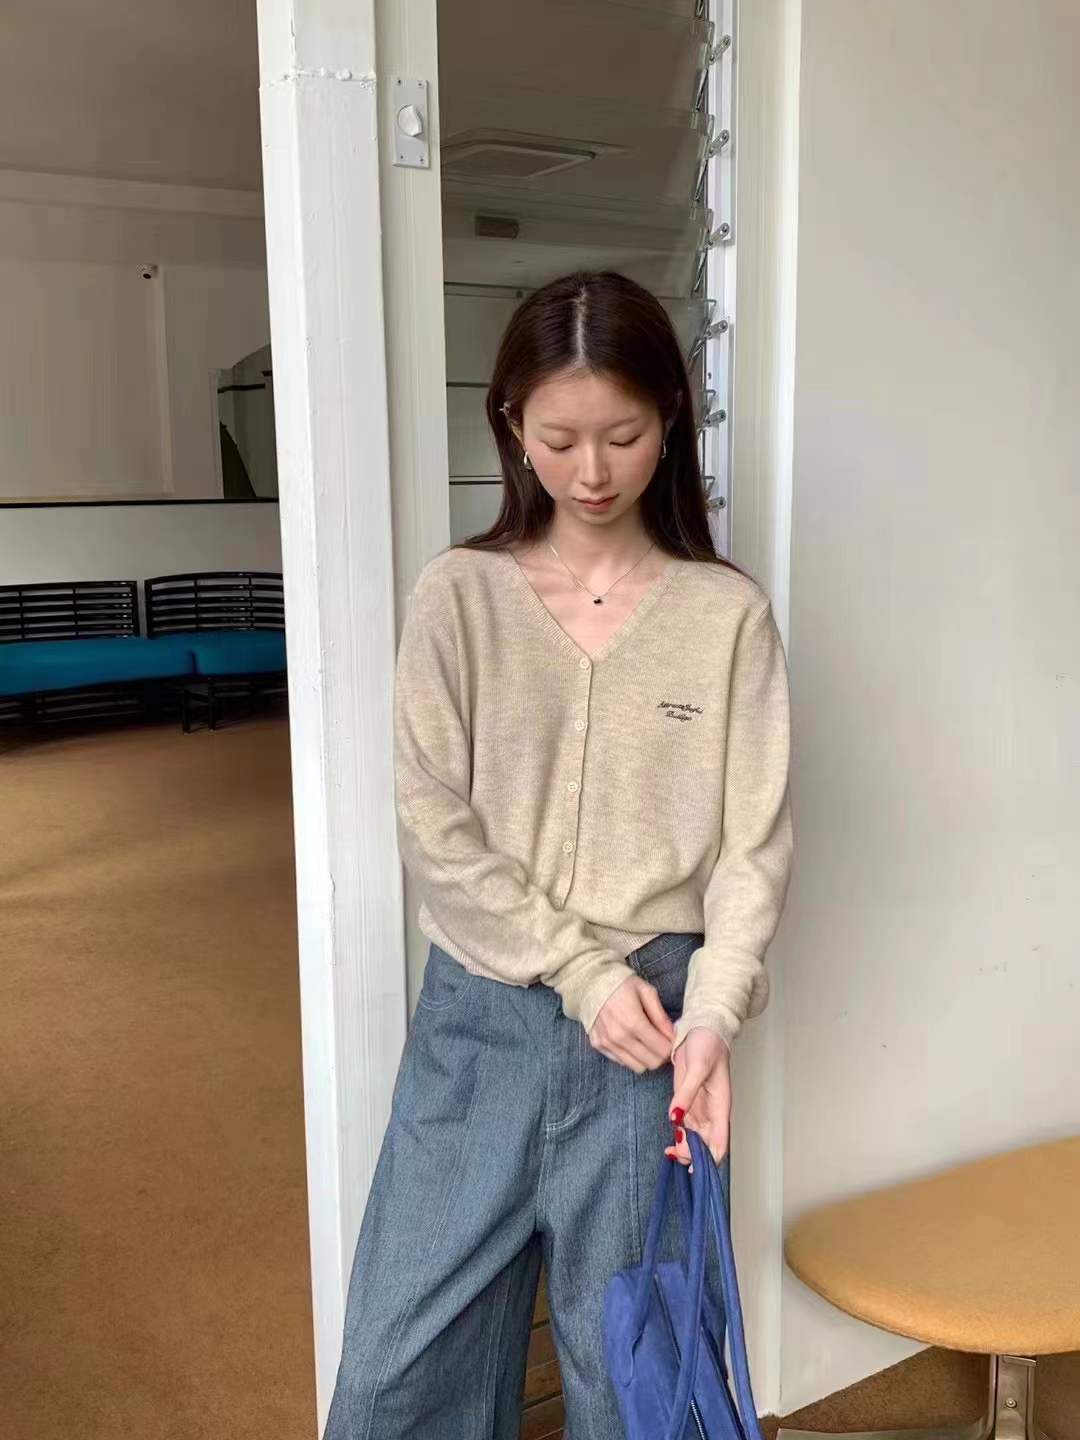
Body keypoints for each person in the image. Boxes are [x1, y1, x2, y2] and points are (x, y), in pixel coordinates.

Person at [322, 270, 794, 1439]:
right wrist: (576, 971)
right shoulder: (460, 598)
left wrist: (713, 1018)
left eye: (622, 436)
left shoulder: (724, 616)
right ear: (510, 424)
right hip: (481, 1024)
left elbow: (751, 848)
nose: (591, 472)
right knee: (396, 1375)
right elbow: (433, 820)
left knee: (639, 1378)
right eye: (559, 439)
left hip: (651, 1035)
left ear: (670, 419)